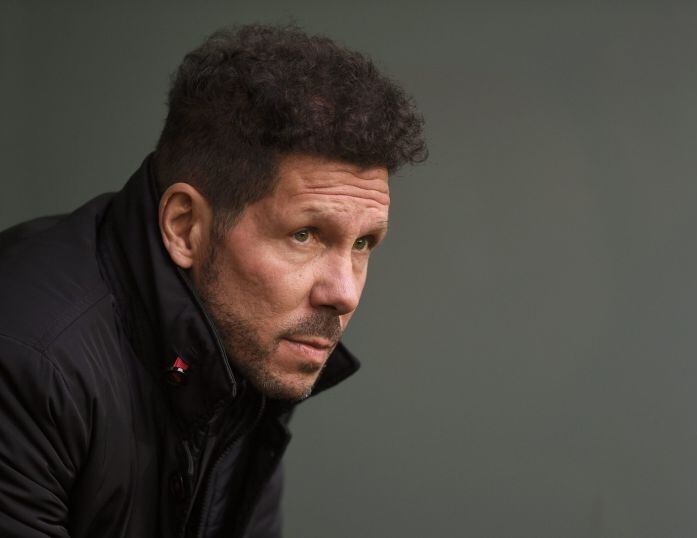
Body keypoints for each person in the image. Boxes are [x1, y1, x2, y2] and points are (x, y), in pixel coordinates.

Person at [0, 23, 425, 537]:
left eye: (362, 245)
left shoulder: (242, 347)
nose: (344, 292)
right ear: (185, 227)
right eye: (305, 235)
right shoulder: (28, 360)